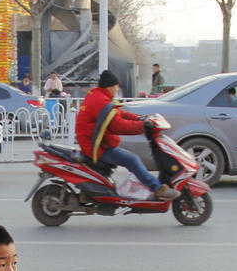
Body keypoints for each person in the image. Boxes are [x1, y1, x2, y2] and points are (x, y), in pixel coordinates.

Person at [75, 70, 181, 200]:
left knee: (129, 158)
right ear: (111, 86)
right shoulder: (101, 101)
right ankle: (157, 188)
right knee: (132, 160)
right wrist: (142, 126)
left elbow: (119, 113)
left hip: (97, 141)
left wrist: (140, 118)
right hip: (95, 146)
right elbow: (118, 125)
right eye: (117, 86)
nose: (117, 89)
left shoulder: (100, 96)